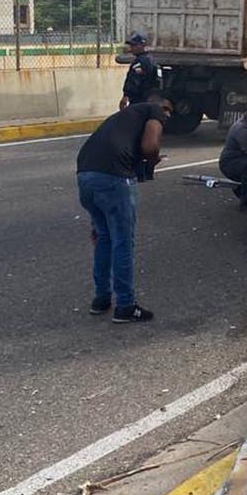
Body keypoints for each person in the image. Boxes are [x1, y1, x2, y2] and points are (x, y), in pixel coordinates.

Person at [76, 92, 173, 323]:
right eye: (168, 115)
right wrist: (154, 158)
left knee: (103, 237)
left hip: (85, 175)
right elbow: (150, 147)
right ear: (164, 108)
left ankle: (101, 299)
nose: (166, 120)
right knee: (122, 241)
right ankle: (125, 306)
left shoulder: (123, 117)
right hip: (113, 178)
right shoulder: (155, 111)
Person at [118, 32, 162, 110]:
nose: (132, 48)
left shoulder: (139, 62)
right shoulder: (151, 59)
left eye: (134, 45)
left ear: (142, 46)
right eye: (131, 45)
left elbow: (134, 81)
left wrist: (126, 96)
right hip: (148, 98)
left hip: (139, 99)